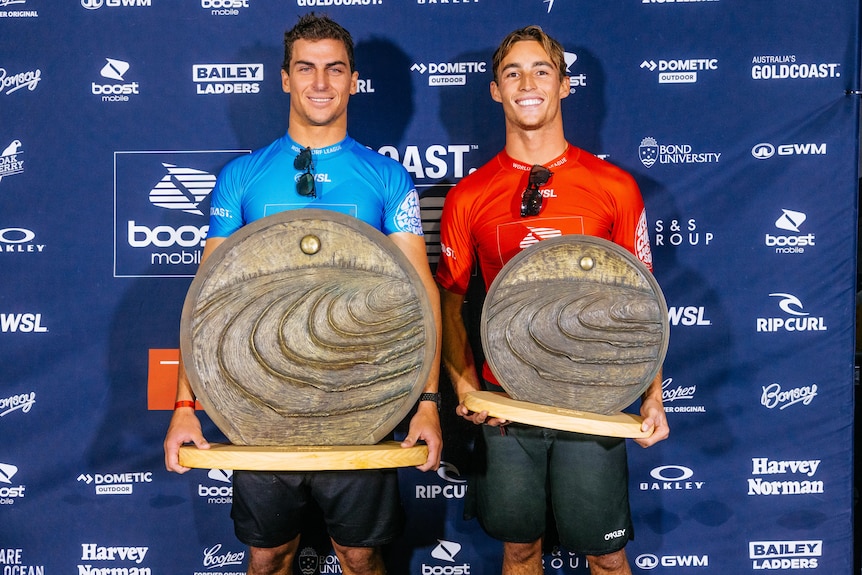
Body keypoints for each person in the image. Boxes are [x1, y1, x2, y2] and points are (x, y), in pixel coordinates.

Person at [163, 13, 443, 575]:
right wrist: (184, 405)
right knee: (269, 557)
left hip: (363, 398)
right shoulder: (241, 177)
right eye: (306, 68)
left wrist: (429, 403)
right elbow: (205, 302)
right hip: (259, 401)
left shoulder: (387, 178)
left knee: (361, 556)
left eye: (335, 69)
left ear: (354, 80)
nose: (321, 82)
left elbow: (421, 295)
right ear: (285, 79)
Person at [435, 25, 669, 575]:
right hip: (507, 401)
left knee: (608, 557)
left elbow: (643, 301)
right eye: (512, 73)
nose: (527, 83)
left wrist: (651, 394)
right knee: (520, 550)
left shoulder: (614, 186)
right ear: (496, 90)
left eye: (542, 70)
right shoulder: (470, 195)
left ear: (565, 85)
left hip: (595, 395)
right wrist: (466, 384)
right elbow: (450, 302)